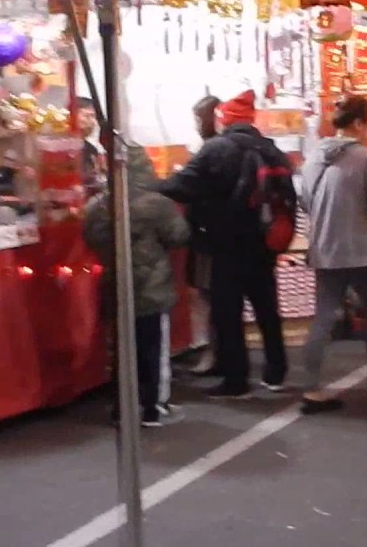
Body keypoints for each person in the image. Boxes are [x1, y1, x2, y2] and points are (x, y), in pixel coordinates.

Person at [158, 89, 291, 399]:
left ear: (224, 120)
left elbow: (183, 185)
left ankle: (236, 378)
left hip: (226, 241)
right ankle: (276, 371)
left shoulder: (217, 148)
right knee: (267, 310)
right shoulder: (270, 149)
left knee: (227, 313)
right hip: (264, 241)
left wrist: (149, 186)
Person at [298, 95, 367, 413]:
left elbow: (305, 200)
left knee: (324, 317)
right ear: (359, 124)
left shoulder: (316, 155)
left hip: (325, 249)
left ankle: (311, 388)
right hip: (361, 251)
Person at [83, 144, 191, 427]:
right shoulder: (157, 203)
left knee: (122, 350)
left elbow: (91, 239)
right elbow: (179, 235)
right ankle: (152, 408)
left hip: (115, 284)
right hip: (151, 287)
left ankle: (123, 406)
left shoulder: (98, 205)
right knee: (153, 349)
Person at [188, 94, 222, 375]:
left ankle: (216, 354)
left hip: (211, 235)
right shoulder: (214, 149)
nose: (197, 125)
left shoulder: (212, 151)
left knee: (212, 298)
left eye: (200, 119)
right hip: (218, 234)